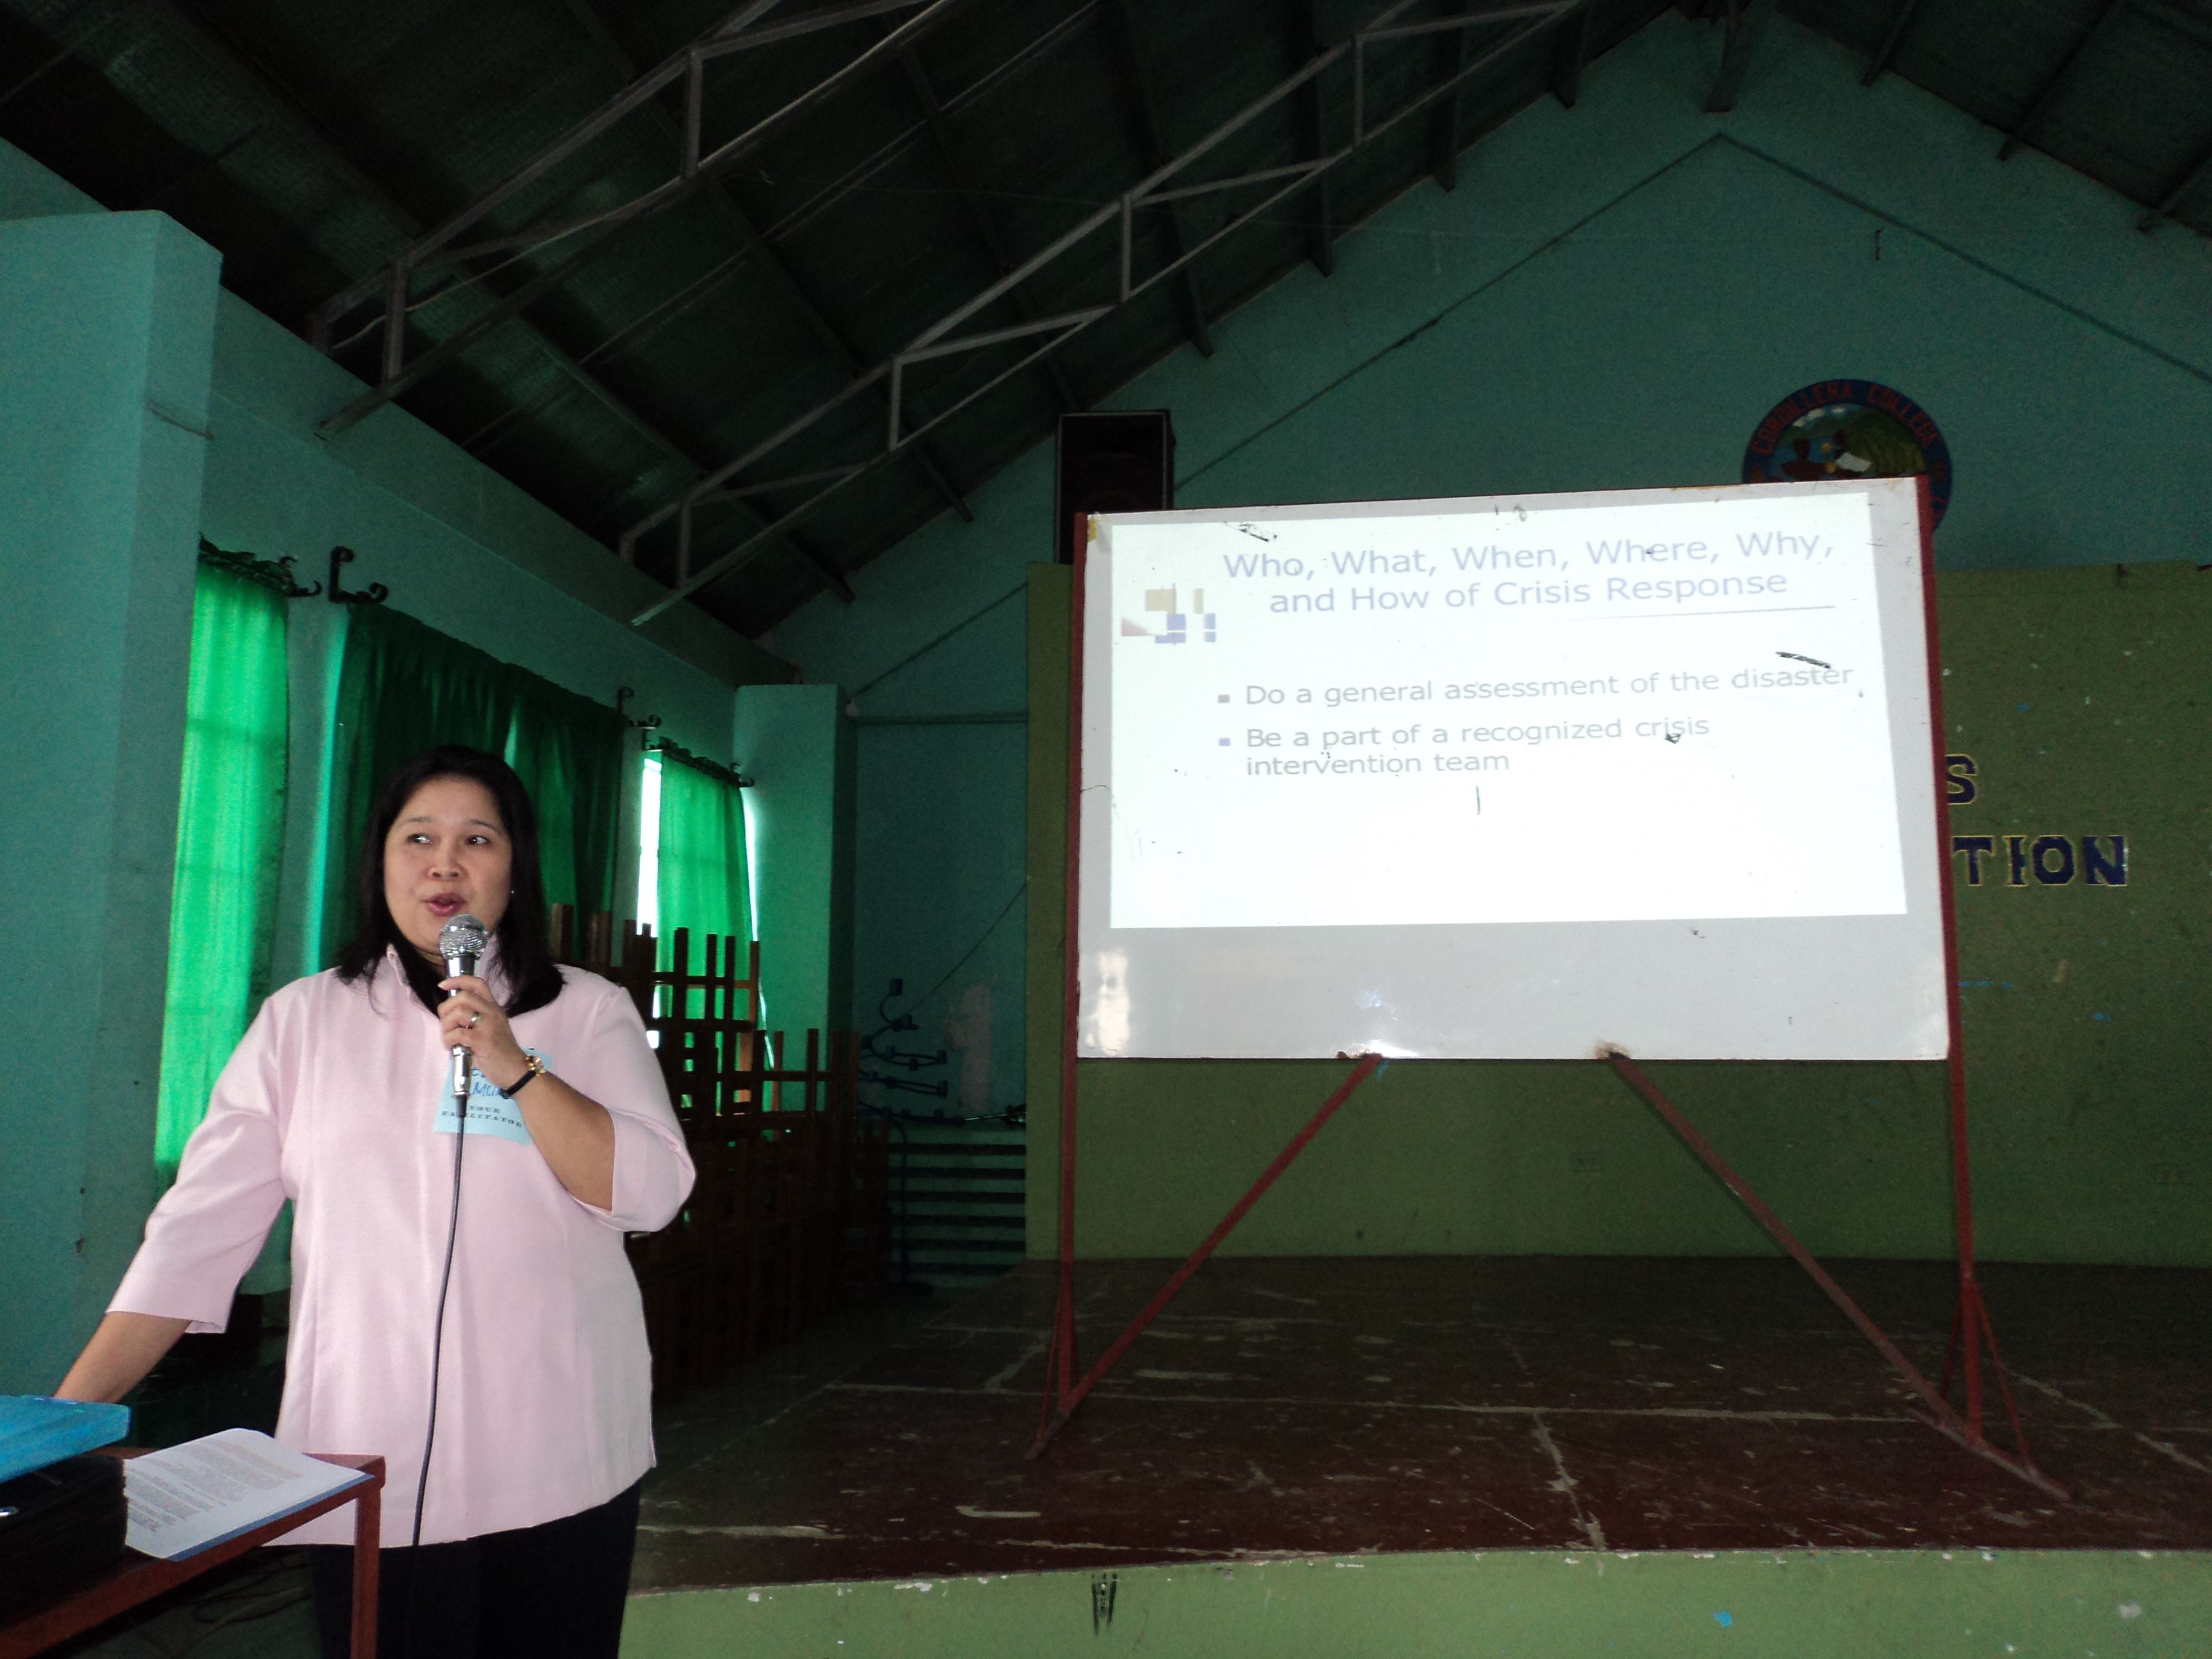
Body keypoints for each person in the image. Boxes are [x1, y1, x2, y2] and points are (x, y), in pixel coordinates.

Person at [57, 745, 695, 1659]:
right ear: (381, 865)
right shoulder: (303, 1022)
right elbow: (193, 1237)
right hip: (372, 1460)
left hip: (562, 1451)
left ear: (516, 871)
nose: (445, 864)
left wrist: (516, 1066)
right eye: (419, 838)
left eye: (478, 839)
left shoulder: (587, 1011)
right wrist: (69, 1420)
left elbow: (652, 1193)